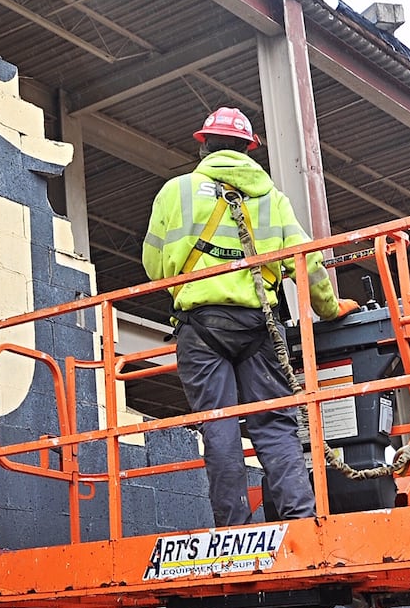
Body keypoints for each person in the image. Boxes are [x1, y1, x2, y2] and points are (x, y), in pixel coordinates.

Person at [142, 107, 359, 527]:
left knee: (219, 425)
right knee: (275, 425)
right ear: (248, 149)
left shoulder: (176, 191)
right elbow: (307, 264)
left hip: (200, 325)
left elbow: (153, 265)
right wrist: (330, 308)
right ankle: (301, 518)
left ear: (203, 144)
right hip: (260, 326)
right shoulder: (273, 199)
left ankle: (235, 529)